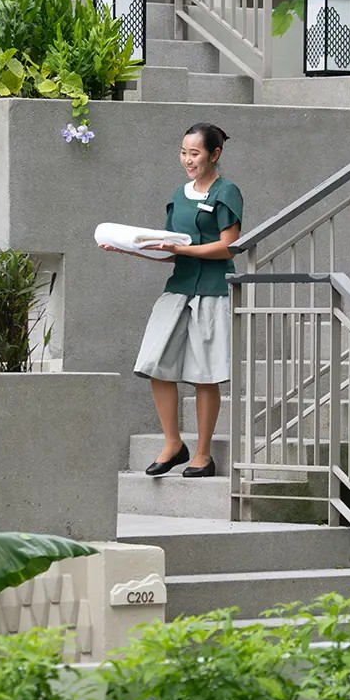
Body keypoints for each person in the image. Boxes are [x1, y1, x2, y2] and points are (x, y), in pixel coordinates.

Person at [101, 122, 243, 478]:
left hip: (213, 289)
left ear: (215, 154)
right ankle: (172, 443)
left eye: (194, 153)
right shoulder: (180, 195)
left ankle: (203, 455)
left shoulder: (227, 192)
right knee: (155, 363)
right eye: (183, 152)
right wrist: (128, 249)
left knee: (204, 374)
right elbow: (170, 249)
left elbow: (229, 245)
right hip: (178, 287)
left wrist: (184, 249)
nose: (187, 160)